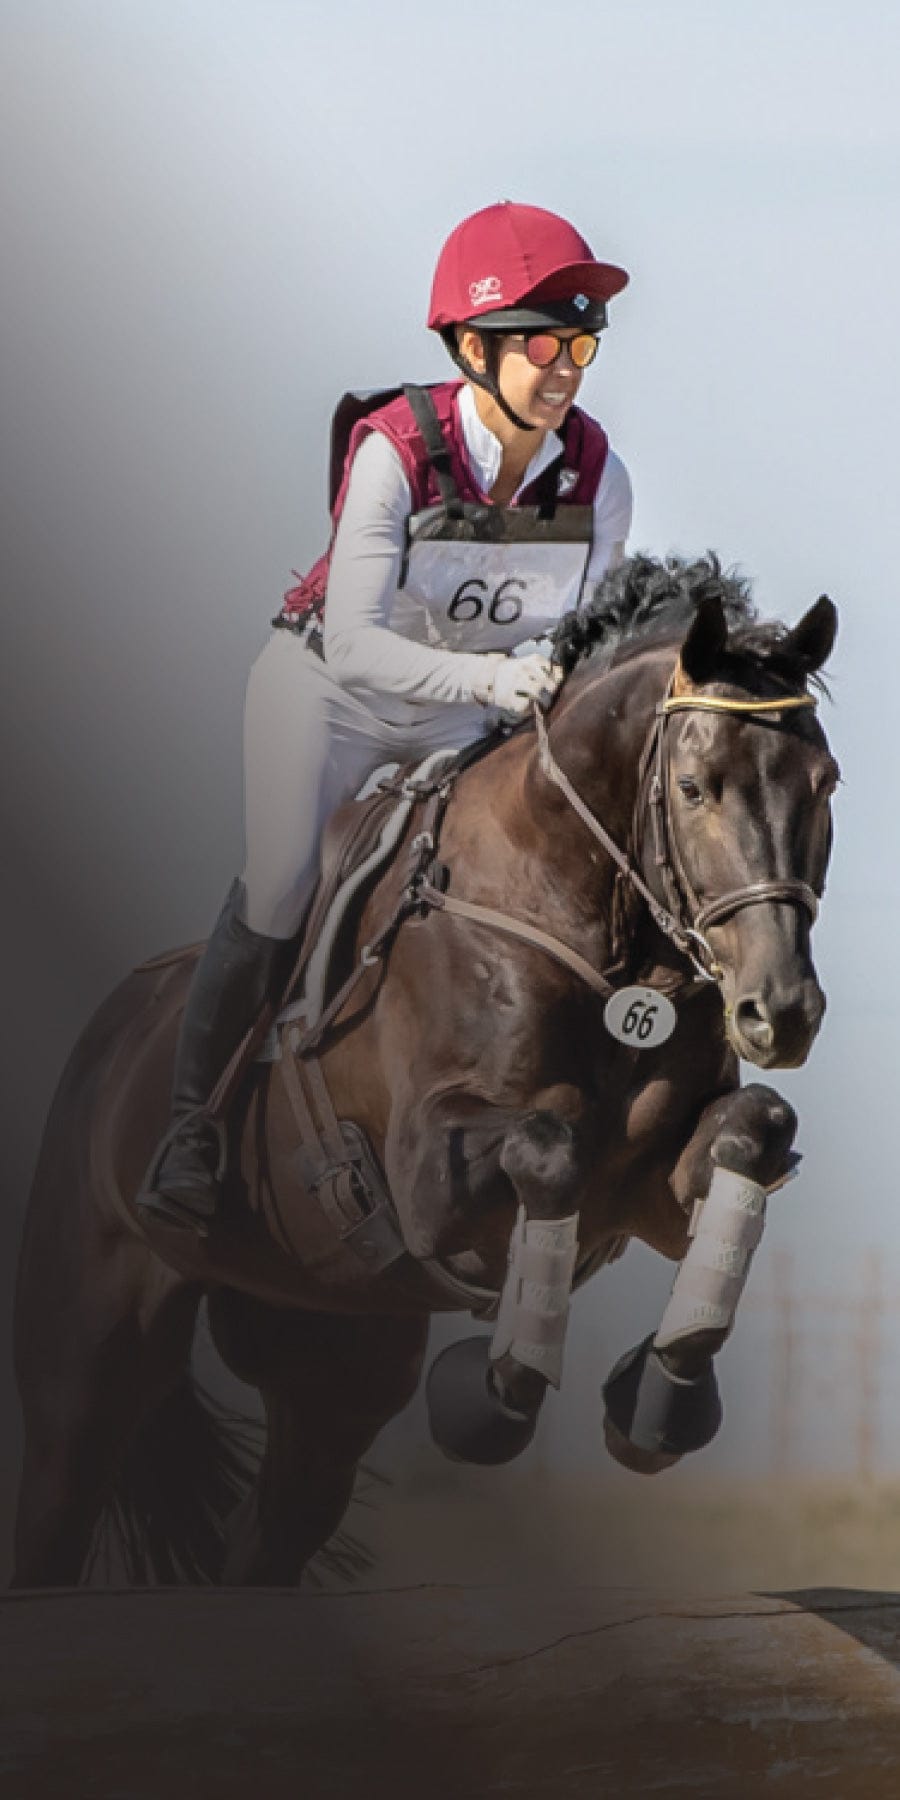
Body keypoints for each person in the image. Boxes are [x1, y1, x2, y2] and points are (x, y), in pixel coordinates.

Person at [138, 200, 633, 1233]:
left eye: (580, 345)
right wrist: (493, 684)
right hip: (334, 695)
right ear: (472, 348)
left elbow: (581, 644)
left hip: (467, 722)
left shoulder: (599, 475)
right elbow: (358, 643)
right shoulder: (396, 447)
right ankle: (191, 1128)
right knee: (285, 879)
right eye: (542, 345)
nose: (565, 371)